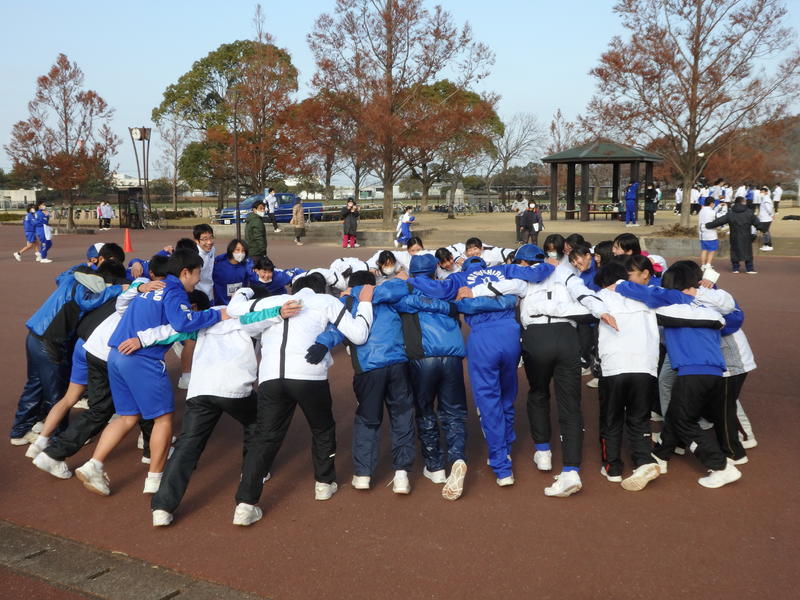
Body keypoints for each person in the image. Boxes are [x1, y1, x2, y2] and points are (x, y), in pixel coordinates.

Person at [137, 288, 302, 526]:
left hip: (201, 388)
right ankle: (250, 485)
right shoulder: (246, 315)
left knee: (188, 445)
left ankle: (162, 507)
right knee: (258, 424)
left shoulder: (208, 316)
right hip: (235, 387)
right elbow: (257, 318)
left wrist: (140, 339)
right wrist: (279, 311)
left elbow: (173, 330)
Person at [225, 273, 374, 526]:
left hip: (271, 376)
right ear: (320, 288)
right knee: (322, 428)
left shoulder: (273, 301)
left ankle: (245, 504)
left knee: (264, 438)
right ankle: (324, 483)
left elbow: (240, 318)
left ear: (294, 289)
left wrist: (257, 300)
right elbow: (359, 335)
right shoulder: (326, 301)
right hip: (309, 375)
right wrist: (366, 306)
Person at [74, 250, 226, 497]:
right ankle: (155, 479)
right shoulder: (174, 291)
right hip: (141, 359)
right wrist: (217, 314)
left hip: (116, 355)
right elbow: (182, 323)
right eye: (198, 273)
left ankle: (94, 465)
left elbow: (121, 306)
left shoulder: (150, 288)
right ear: (185, 272)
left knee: (127, 417)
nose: (199, 279)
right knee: (163, 420)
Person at [29, 261, 165, 477]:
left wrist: (137, 273)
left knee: (80, 400)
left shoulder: (130, 285)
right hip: (110, 351)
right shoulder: (162, 294)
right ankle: (58, 455)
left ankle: (42, 444)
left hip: (88, 344)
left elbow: (137, 277)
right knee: (117, 408)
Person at [613, 261, 743, 489]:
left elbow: (647, 293)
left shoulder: (674, 299)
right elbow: (733, 319)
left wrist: (620, 284)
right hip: (713, 371)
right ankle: (661, 455)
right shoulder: (709, 306)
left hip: (694, 370)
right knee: (675, 413)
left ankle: (720, 466)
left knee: (683, 421)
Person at [312, 273, 416, 494]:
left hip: (368, 369)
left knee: (368, 420)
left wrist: (322, 343)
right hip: (398, 365)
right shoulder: (389, 296)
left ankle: (363, 474)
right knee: (402, 417)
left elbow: (336, 329)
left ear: (351, 286)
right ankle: (402, 475)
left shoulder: (348, 301)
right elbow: (403, 287)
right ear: (373, 284)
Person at [10, 263, 126, 446]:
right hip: (50, 342)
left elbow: (63, 275)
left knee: (34, 385)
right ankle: (60, 437)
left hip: (34, 336)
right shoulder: (83, 288)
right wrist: (119, 289)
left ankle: (20, 430)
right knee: (56, 393)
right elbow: (89, 301)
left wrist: (86, 265)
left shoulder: (70, 277)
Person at [594, 261, 661, 491]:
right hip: (645, 365)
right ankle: (643, 460)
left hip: (614, 366)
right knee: (639, 417)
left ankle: (612, 467)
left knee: (611, 418)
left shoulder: (601, 296)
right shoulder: (645, 296)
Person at [705, 196, 763, 274]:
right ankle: (749, 268)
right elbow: (757, 223)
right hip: (746, 235)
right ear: (743, 202)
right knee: (747, 251)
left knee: (735, 251)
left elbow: (720, 221)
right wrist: (763, 229)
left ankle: (735, 268)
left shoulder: (731, 213)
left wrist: (708, 225)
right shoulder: (749, 212)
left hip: (734, 235)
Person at [212, 239, 251, 305]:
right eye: (237, 250)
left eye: (243, 250)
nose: (240, 253)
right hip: (221, 305)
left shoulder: (247, 265)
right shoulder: (219, 265)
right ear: (231, 250)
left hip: (239, 304)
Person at [698, 198, 719, 269]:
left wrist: (719, 207)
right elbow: (717, 217)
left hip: (702, 233)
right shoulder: (712, 212)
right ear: (712, 203)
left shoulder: (701, 210)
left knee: (704, 250)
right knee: (712, 250)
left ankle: (703, 265)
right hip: (710, 234)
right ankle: (708, 264)